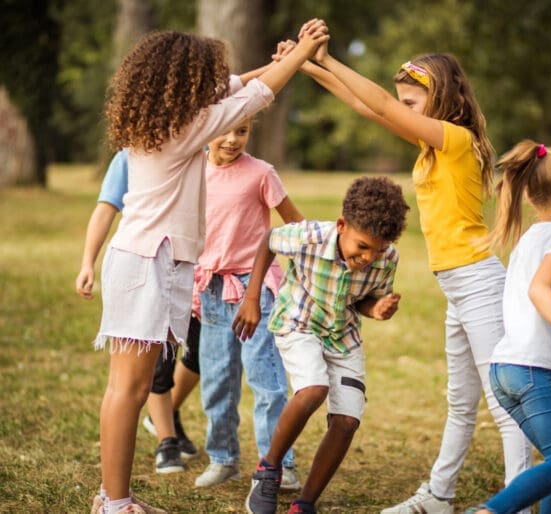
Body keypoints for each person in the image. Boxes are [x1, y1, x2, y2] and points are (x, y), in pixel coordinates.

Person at [88, 24, 328, 514]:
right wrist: (303, 50)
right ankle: (115, 503)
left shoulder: (165, 119)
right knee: (128, 390)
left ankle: (114, 497)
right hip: (145, 263)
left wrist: (288, 61)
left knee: (126, 389)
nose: (215, 88)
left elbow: (240, 85)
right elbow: (257, 93)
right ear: (185, 84)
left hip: (146, 260)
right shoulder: (185, 129)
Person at [297, 30, 532, 514]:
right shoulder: (434, 145)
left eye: (412, 101)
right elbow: (371, 108)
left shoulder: (456, 139)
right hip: (459, 286)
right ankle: (439, 496)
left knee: (502, 403)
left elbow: (381, 103)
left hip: (479, 283)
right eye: (404, 101)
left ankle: (517, 501)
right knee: (461, 403)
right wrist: (310, 65)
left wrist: (329, 59)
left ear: (440, 96)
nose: (402, 108)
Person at [233, 176, 411, 514]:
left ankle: (305, 503)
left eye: (379, 249)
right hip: (298, 322)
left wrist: (377, 309)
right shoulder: (310, 236)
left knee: (347, 422)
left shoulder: (387, 258)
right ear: (342, 225)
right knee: (314, 389)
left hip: (343, 336)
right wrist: (252, 296)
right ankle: (268, 469)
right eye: (362, 247)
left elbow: (363, 301)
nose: (369, 257)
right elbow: (269, 239)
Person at [464, 141, 551, 514]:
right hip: (534, 372)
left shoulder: (528, 239)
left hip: (505, 371)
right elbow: (540, 289)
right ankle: (489, 511)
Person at [193, 117, 304, 491]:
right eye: (225, 129)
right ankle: (222, 459)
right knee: (216, 380)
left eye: (242, 131)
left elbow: (295, 226)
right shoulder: (191, 171)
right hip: (211, 288)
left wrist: (302, 279)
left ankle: (280, 464)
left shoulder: (261, 173)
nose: (232, 139)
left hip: (255, 288)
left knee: (266, 380)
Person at [75, 149, 200, 477]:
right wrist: (88, 261)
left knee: (175, 363)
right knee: (138, 379)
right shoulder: (128, 157)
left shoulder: (199, 151)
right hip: (145, 269)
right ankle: (164, 439)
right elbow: (105, 210)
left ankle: (166, 425)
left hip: (186, 274)